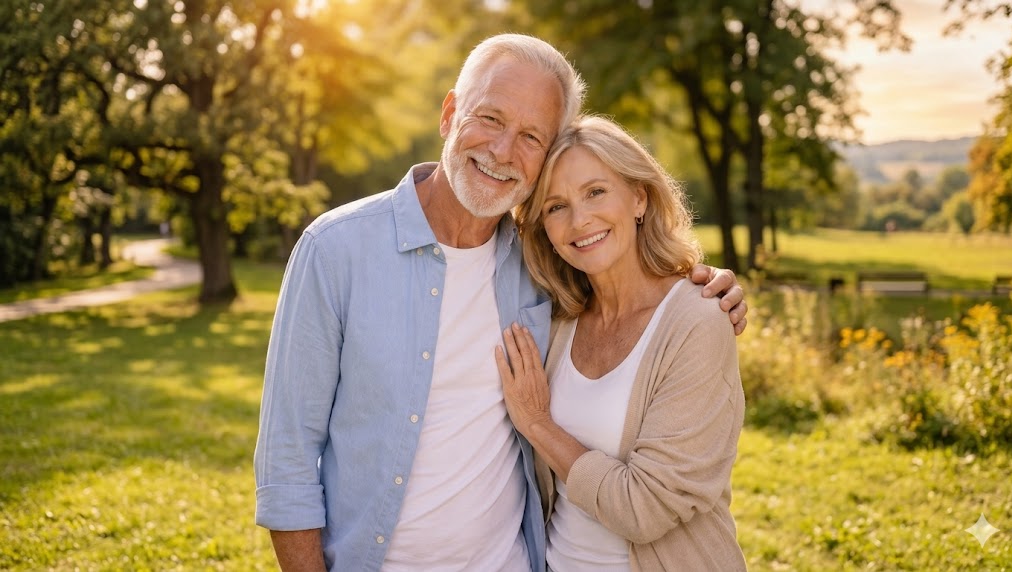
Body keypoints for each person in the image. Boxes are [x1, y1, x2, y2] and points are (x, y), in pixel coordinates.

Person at [254, 34, 747, 571]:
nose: (503, 151)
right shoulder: (335, 250)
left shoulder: (543, 267)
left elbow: (630, 284)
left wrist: (708, 289)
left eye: (532, 136)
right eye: (490, 118)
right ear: (449, 113)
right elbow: (288, 463)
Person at [496, 115, 747, 571]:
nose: (580, 219)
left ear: (638, 197)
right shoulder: (555, 320)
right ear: (545, 231)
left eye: (596, 192)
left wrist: (537, 424)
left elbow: (643, 507)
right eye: (556, 206)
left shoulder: (697, 321)